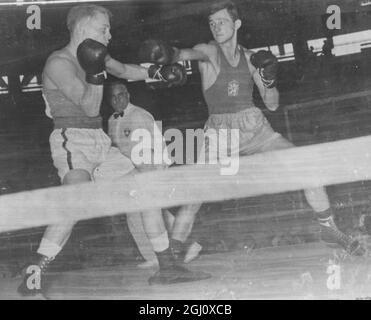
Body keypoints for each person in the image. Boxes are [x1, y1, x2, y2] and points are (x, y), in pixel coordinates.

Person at [138, 0, 365, 257]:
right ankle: (172, 258)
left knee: (305, 164)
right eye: (212, 23)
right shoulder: (209, 51)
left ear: (236, 24)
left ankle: (329, 228)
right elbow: (184, 54)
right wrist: (166, 54)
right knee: (195, 194)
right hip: (220, 132)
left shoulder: (250, 58)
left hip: (254, 127)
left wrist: (268, 79)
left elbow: (273, 104)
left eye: (222, 21)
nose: (216, 27)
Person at [17, 4, 209, 297]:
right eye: (102, 29)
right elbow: (91, 106)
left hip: (100, 141)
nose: (108, 36)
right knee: (75, 199)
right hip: (72, 140)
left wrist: (158, 73)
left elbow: (125, 71)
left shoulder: (98, 56)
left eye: (109, 30)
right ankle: (34, 274)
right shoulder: (58, 62)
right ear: (81, 27)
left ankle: (167, 268)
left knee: (145, 190)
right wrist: (95, 73)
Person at [106, 81, 203, 266]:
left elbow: (158, 143)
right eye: (113, 96)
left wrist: (160, 170)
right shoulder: (112, 120)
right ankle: (154, 257)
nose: (118, 99)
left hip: (150, 168)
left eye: (121, 95)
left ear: (128, 95)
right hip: (131, 172)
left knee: (150, 212)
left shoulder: (140, 115)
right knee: (136, 214)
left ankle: (185, 248)